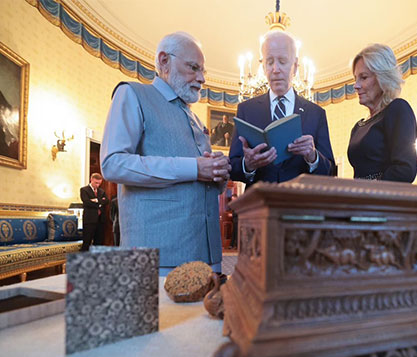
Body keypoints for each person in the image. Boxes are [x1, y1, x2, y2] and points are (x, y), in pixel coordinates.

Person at [100, 31, 231, 274]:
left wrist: (218, 173)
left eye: (203, 71)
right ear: (164, 61)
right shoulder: (133, 94)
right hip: (158, 256)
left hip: (208, 253)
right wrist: (195, 168)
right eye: (193, 68)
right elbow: (113, 163)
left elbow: (205, 182)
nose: (201, 78)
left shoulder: (193, 116)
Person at [229, 30, 335, 185]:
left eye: (282, 61)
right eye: (270, 62)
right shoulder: (246, 110)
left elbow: (331, 172)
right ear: (263, 66)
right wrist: (248, 164)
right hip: (258, 205)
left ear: (296, 66)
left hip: (300, 206)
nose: (275, 69)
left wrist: (312, 156)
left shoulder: (316, 113)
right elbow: (232, 168)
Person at [347, 44, 417, 182]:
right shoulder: (357, 127)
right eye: (355, 78)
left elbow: (405, 170)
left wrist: (367, 190)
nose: (356, 85)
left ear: (383, 78)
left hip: (383, 200)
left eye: (364, 77)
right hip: (360, 200)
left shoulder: (398, 109)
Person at [80, 173, 109, 251]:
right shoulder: (84, 190)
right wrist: (100, 203)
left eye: (99, 183)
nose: (97, 185)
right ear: (91, 180)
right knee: (87, 241)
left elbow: (106, 201)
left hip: (100, 220)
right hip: (89, 220)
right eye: (96, 183)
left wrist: (96, 201)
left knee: (99, 241)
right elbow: (87, 202)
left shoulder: (101, 191)